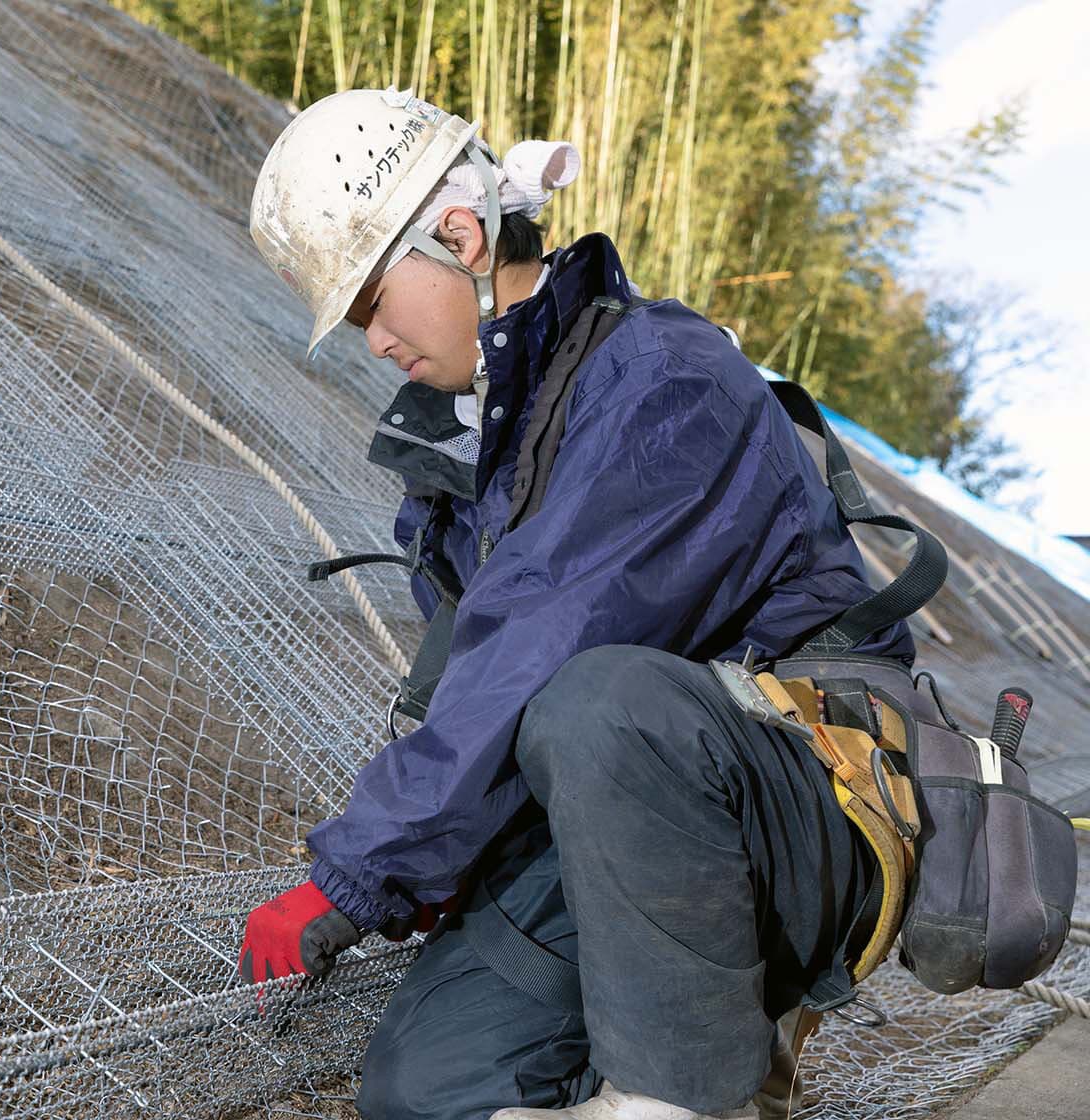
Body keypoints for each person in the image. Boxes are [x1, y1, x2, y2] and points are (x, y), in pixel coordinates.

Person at [236, 88, 913, 1120]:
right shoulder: (481, 457)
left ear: (458, 235)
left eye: (372, 301)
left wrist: (356, 874)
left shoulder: (660, 383)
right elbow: (492, 687)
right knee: (425, 1087)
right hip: (623, 806)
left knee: (594, 701)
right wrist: (447, 858)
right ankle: (655, 1062)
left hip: (805, 802)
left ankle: (690, 1093)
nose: (374, 342)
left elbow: (543, 644)